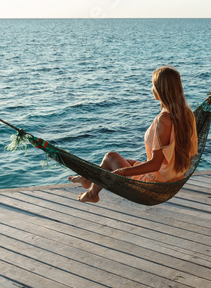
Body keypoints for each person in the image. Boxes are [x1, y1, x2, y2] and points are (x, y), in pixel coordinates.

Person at [70, 66, 198, 203]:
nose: (152, 89)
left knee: (110, 156)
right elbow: (189, 152)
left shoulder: (164, 119)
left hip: (156, 185)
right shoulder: (187, 114)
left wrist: (122, 172)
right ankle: (89, 185)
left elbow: (155, 164)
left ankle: (91, 190)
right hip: (173, 176)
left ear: (161, 89)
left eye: (153, 85)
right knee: (127, 162)